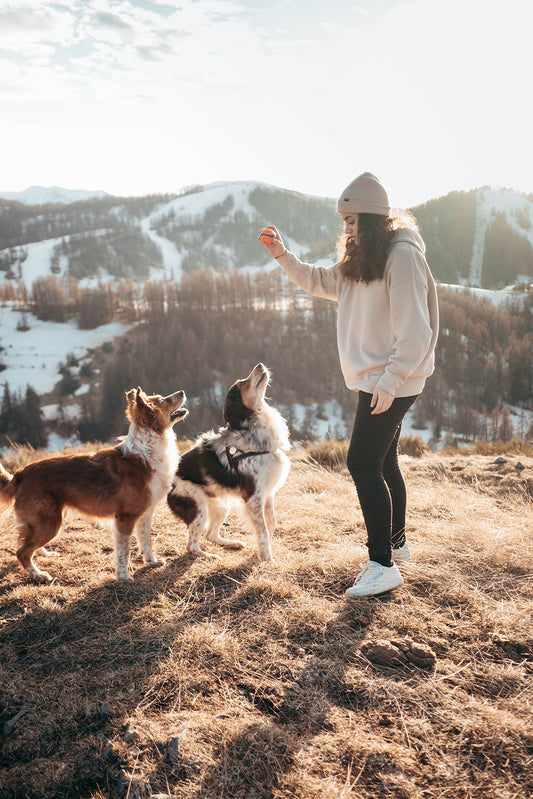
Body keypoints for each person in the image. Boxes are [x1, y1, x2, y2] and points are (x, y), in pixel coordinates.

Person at [258, 172, 439, 598]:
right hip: (380, 376)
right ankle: (397, 545)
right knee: (383, 460)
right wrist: (282, 255)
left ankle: (382, 565)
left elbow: (416, 331)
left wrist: (391, 381)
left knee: (361, 463)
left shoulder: (402, 255)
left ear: (375, 220)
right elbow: (322, 282)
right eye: (344, 222)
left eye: (354, 221)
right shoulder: (365, 256)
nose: (347, 230)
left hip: (395, 376)